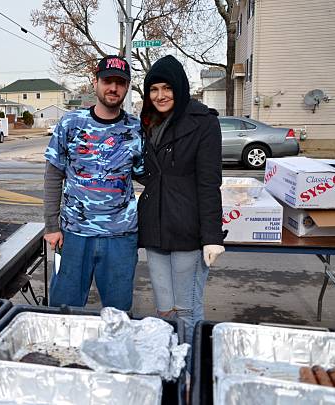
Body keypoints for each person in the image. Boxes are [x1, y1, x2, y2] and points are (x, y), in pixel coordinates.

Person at [43, 55, 143, 311]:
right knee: (63, 310)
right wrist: (52, 226)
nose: (113, 88)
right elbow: (53, 176)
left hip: (120, 236)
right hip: (74, 234)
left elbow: (149, 176)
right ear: (95, 82)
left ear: (127, 86)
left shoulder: (136, 129)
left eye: (120, 83)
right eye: (107, 81)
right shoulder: (70, 124)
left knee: (118, 314)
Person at [137, 55, 225, 347]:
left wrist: (211, 237)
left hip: (188, 230)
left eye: (167, 88)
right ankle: (168, 361)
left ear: (180, 88)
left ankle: (189, 369)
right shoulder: (149, 122)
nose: (160, 95)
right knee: (164, 307)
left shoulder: (203, 123)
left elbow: (209, 184)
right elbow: (152, 173)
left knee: (186, 307)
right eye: (154, 89)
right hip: (156, 227)